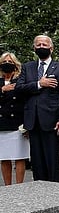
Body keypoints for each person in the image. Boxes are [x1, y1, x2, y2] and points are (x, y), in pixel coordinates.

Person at [16, 35, 59, 182]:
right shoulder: (27, 67)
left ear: (51, 48)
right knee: (37, 161)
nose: (41, 47)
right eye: (38, 45)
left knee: (52, 160)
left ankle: (54, 191)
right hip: (33, 121)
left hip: (53, 122)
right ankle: (39, 191)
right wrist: (39, 84)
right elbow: (19, 89)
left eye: (44, 44)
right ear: (34, 48)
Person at [0, 52, 29, 185]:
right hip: (2, 124)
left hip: (18, 124)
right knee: (4, 157)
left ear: (16, 65)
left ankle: (19, 187)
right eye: (5, 61)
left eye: (10, 62)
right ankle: (7, 187)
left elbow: (27, 102)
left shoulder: (20, 81)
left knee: (19, 157)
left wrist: (27, 124)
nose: (7, 64)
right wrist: (2, 90)